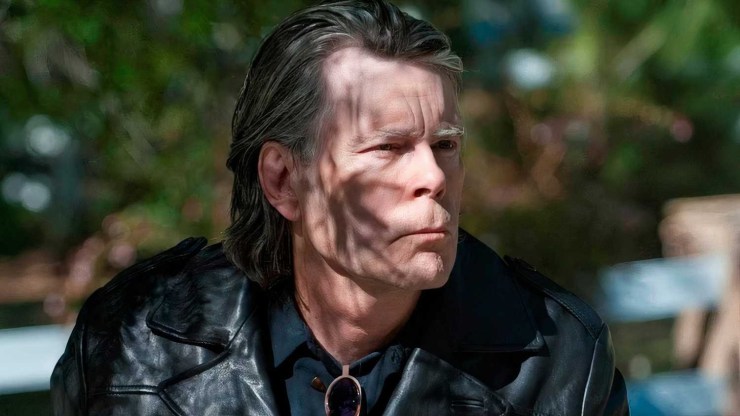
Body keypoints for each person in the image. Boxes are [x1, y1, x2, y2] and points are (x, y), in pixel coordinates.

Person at [51, 0, 629, 414]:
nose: (433, 178)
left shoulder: (559, 358)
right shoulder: (135, 341)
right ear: (284, 180)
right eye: (389, 148)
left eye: (445, 145)